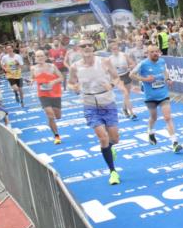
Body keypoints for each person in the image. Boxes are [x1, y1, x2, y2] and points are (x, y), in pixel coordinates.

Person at [68, 42, 122, 184]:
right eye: (83, 46)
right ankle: (113, 172)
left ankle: (110, 147)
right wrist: (74, 87)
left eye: (89, 45)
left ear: (93, 48)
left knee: (115, 139)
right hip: (90, 105)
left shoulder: (104, 61)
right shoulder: (75, 67)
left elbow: (116, 77)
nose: (86, 47)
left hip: (108, 103)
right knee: (103, 137)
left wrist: (111, 85)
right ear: (79, 50)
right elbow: (70, 83)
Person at [131, 45, 183, 153]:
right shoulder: (143, 64)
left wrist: (167, 79)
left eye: (156, 51)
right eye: (152, 52)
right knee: (153, 117)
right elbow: (131, 75)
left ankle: (175, 142)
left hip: (163, 94)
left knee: (167, 117)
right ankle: (150, 132)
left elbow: (165, 71)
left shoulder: (162, 61)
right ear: (147, 53)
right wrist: (145, 79)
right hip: (150, 96)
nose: (155, 53)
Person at [31, 50, 64, 144]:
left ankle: (50, 122)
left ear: (45, 57)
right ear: (35, 58)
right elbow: (32, 78)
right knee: (50, 114)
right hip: (43, 94)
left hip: (55, 93)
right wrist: (31, 81)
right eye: (38, 56)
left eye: (41, 56)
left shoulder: (52, 66)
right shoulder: (33, 68)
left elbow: (61, 77)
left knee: (58, 116)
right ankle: (56, 136)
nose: (40, 58)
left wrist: (53, 82)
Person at [108, 42, 137, 120]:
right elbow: (108, 71)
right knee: (125, 93)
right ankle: (132, 113)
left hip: (126, 75)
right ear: (111, 50)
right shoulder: (109, 59)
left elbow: (133, 64)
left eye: (117, 48)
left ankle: (124, 109)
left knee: (126, 95)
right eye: (113, 49)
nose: (115, 50)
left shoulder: (124, 55)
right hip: (118, 77)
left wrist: (127, 67)